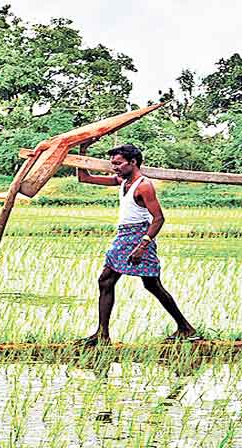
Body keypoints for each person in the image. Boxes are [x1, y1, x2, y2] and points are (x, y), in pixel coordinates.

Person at [73, 143, 196, 345]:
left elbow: (158, 218)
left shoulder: (144, 186)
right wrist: (82, 152)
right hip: (124, 236)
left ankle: (185, 328)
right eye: (113, 163)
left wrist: (142, 246)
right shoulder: (122, 181)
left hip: (139, 236)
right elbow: (84, 178)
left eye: (119, 163)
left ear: (133, 162)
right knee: (108, 281)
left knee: (151, 284)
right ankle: (102, 334)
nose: (115, 167)